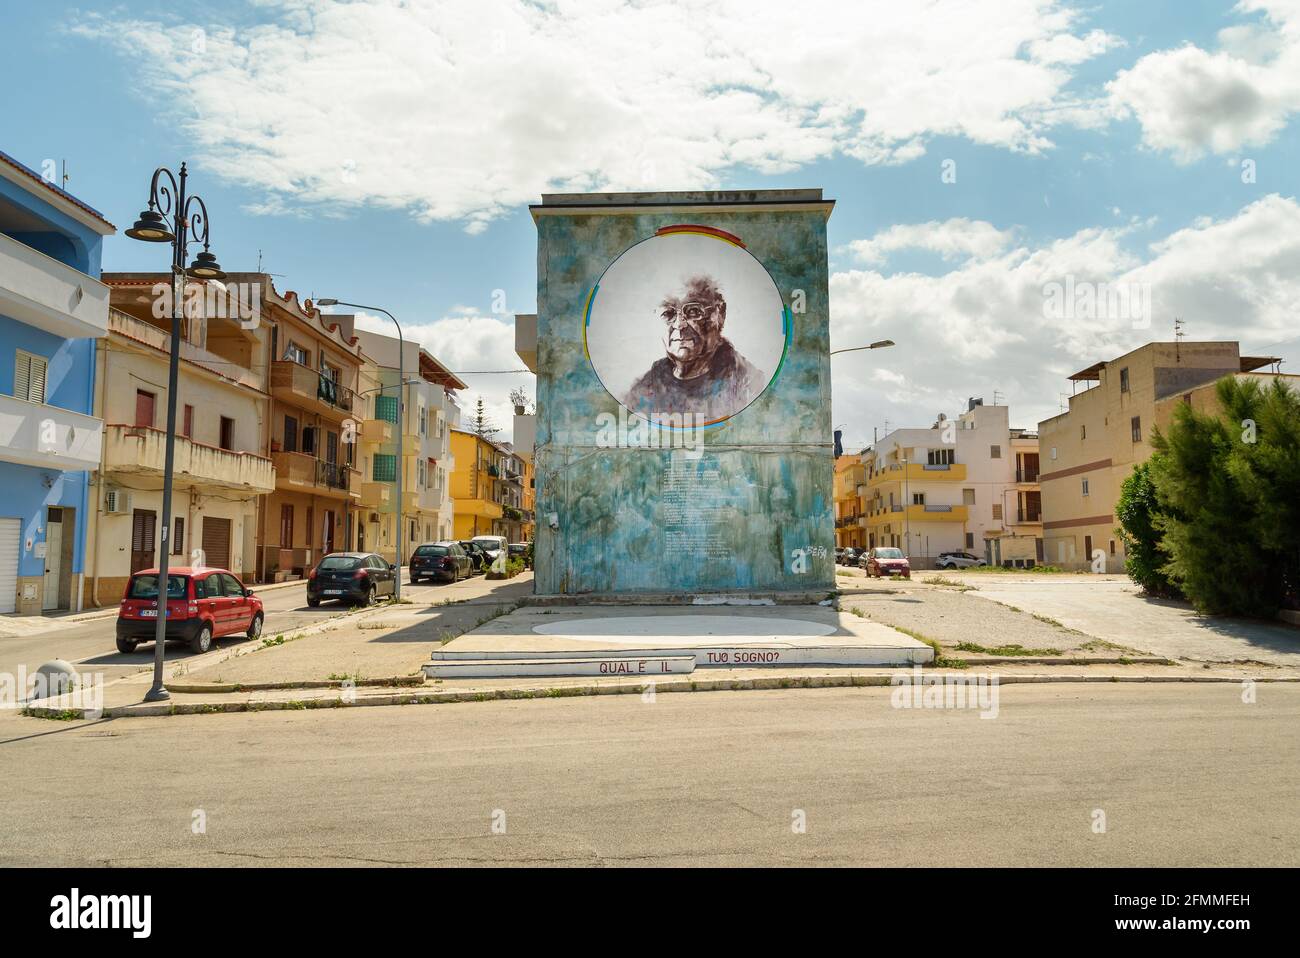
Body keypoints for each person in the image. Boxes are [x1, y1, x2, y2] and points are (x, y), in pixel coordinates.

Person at [622, 275, 765, 422]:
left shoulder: (746, 384)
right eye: (668, 314)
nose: (679, 325)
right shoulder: (647, 385)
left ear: (719, 314)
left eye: (693, 311)